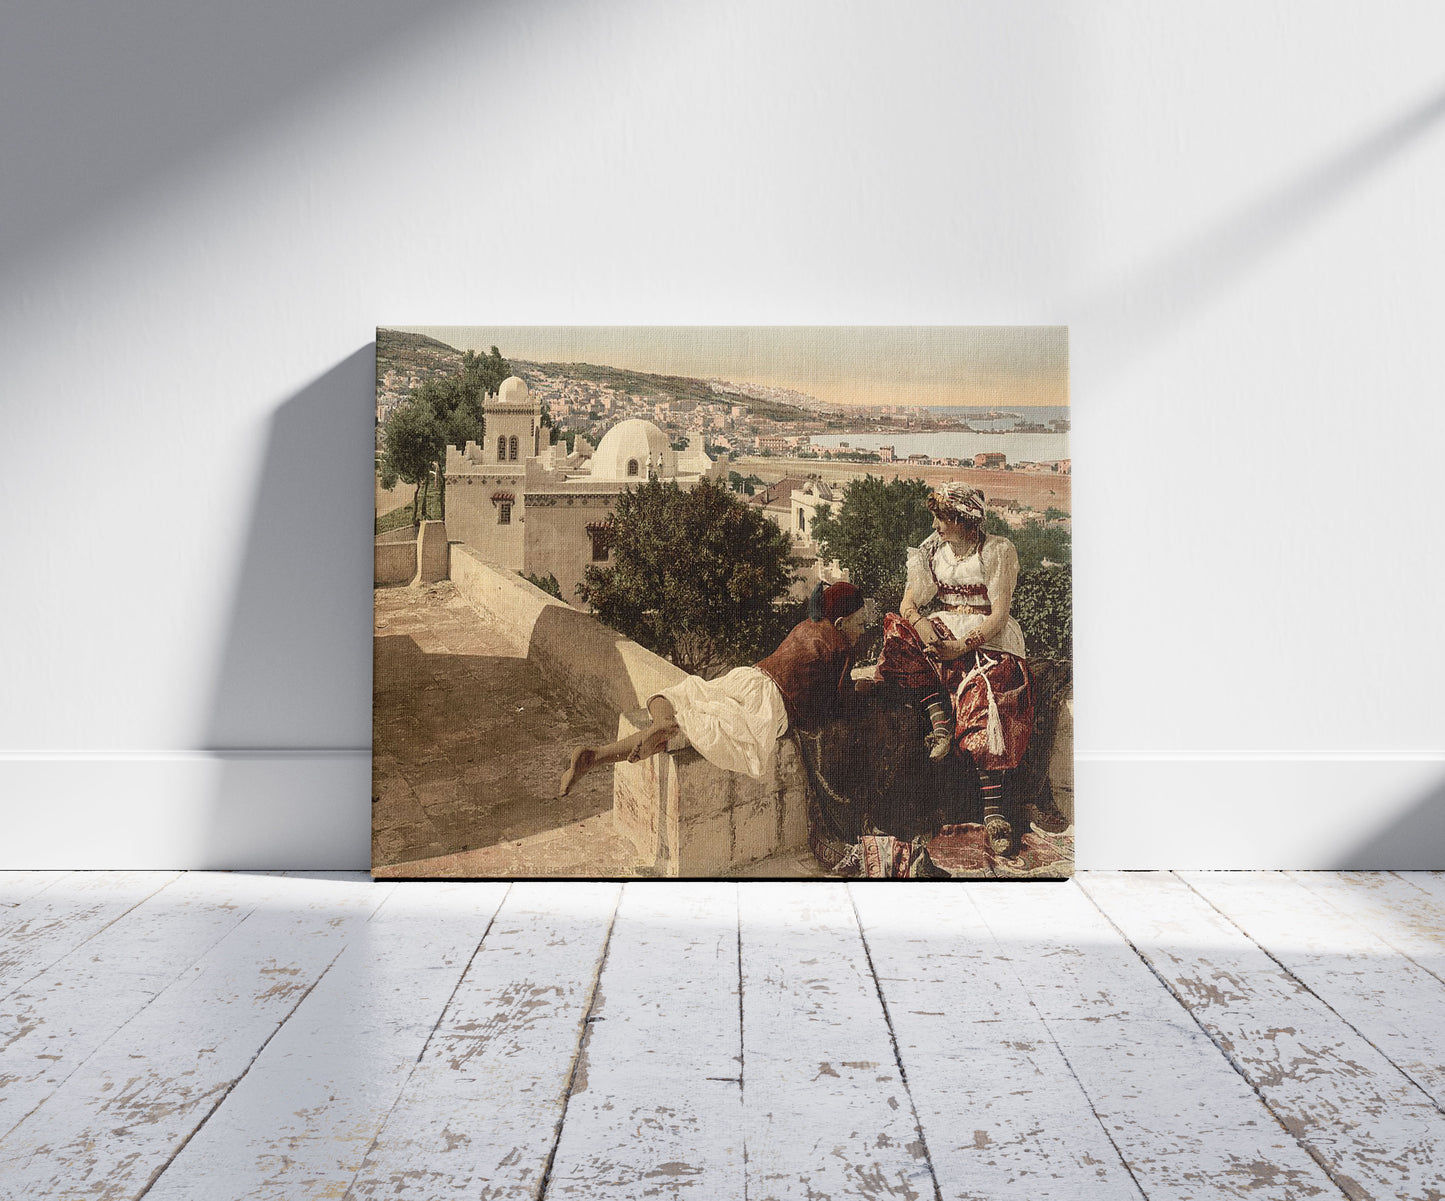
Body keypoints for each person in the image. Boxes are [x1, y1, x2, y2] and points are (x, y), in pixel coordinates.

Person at [560, 581, 871, 796]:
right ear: (841, 623)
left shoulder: (806, 626)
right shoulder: (840, 646)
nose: (862, 630)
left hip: (749, 677)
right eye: (860, 624)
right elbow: (839, 704)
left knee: (684, 694)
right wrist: (866, 689)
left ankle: (600, 753)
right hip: (770, 703)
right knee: (702, 730)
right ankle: (668, 728)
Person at [875, 482, 1034, 854]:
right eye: (936, 516)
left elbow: (999, 614)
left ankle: (994, 814)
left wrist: (960, 648)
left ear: (965, 520)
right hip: (942, 630)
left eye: (943, 518)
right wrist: (922, 625)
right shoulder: (932, 551)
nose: (936, 525)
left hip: (985, 638)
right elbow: (908, 604)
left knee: (988, 698)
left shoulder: (997, 551)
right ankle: (940, 726)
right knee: (897, 636)